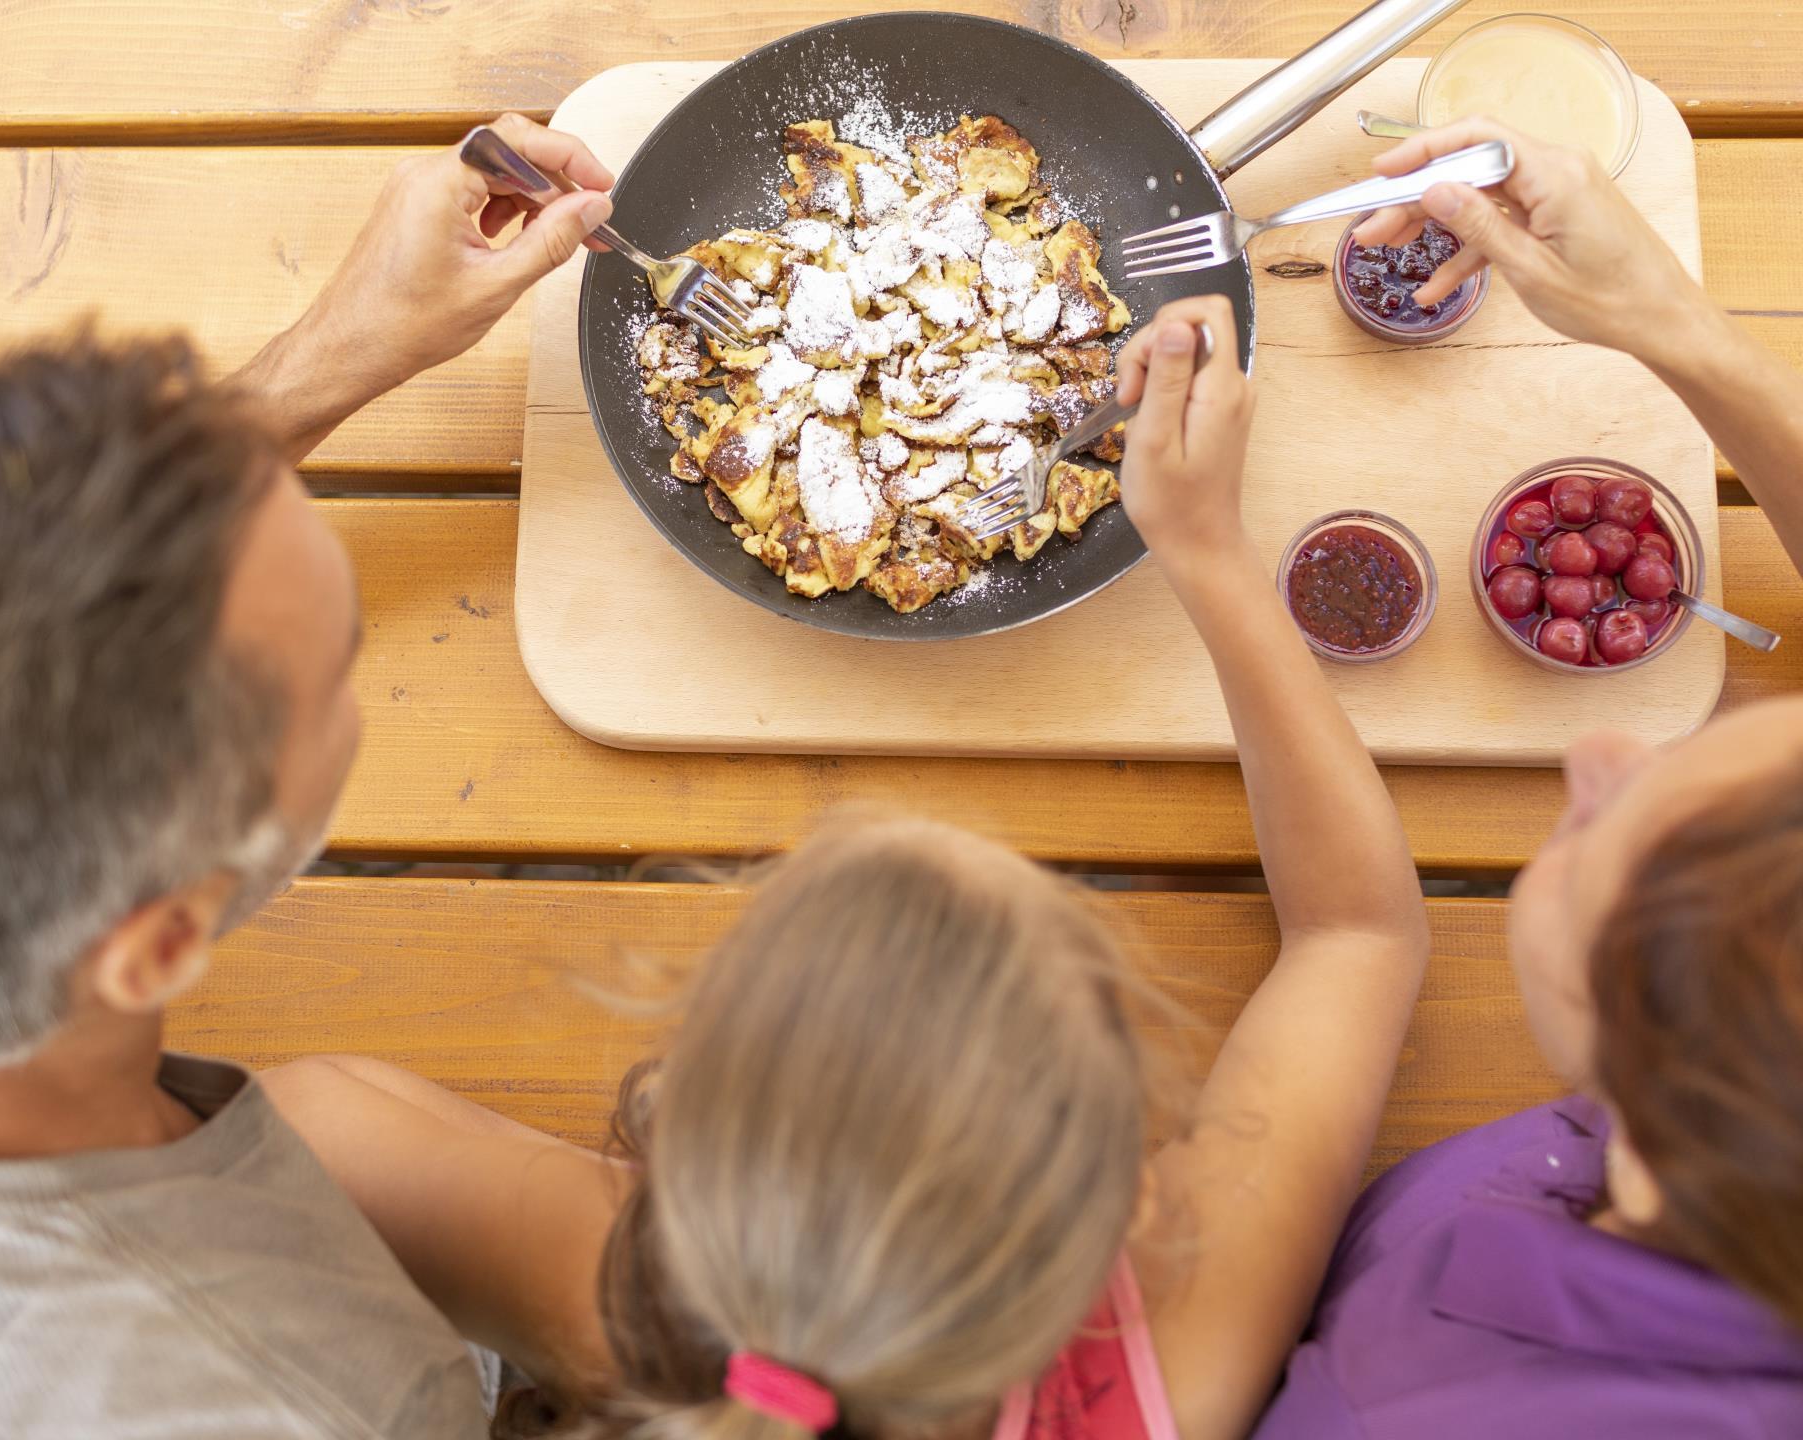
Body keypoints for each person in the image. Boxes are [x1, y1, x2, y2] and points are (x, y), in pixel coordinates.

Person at [264, 294, 1435, 1440]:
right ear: (1127, 1203)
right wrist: (1212, 550)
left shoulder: (622, 1301)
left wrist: (663, 1224)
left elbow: (308, 1116)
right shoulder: (1173, 1363)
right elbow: (1360, 935)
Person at [0, 114, 616, 1437]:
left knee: (344, 1112)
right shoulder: (297, 1395)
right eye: (339, 666)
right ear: (160, 940)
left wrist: (334, 355)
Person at [1246, 119, 1803, 1436]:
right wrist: (1668, 318)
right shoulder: (1741, 1120)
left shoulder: (1413, 1407)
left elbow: (1352, 935)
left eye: (1611, 827)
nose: (1601, 747)